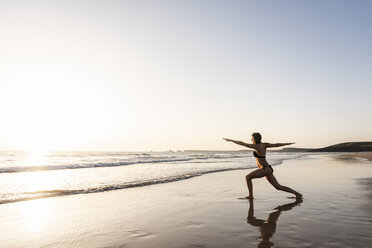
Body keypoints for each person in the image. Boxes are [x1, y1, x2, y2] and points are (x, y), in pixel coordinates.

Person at [223, 133, 303, 199]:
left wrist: (231, 140)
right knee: (278, 186)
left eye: (252, 138)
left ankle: (251, 196)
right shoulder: (264, 145)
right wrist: (287, 144)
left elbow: (242, 143)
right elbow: (276, 145)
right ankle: (297, 194)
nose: (251, 140)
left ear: (255, 139)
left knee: (248, 177)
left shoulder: (256, 146)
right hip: (268, 168)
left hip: (264, 169)